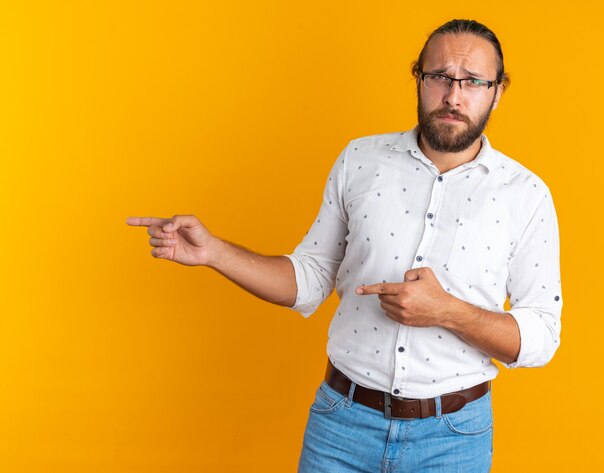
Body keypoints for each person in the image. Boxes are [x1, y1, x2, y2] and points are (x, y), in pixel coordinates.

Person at [127, 19, 562, 473]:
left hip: (453, 440)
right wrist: (214, 252)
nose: (454, 96)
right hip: (342, 426)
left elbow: (540, 337)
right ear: (419, 78)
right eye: (440, 77)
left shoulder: (526, 195)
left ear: (497, 91)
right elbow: (311, 278)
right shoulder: (360, 160)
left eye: (473, 81)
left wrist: (446, 310)